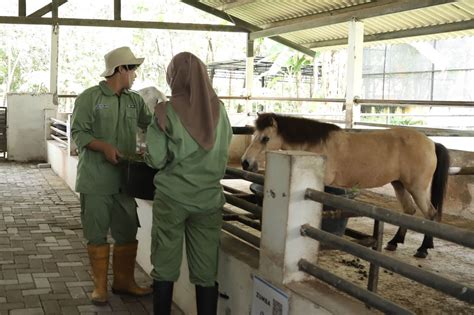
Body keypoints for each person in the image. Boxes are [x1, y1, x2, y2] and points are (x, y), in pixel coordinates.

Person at [145, 52, 233, 315]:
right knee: (205, 271)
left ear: (175, 78)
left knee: (164, 266)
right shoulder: (221, 111)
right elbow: (225, 150)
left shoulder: (165, 112)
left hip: (172, 200)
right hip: (209, 202)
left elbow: (156, 159)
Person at [71, 46, 153, 305]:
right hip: (96, 180)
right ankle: (99, 287)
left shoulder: (135, 100)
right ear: (120, 70)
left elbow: (151, 124)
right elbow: (79, 133)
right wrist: (104, 147)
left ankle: (124, 282)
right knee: (96, 234)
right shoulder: (89, 98)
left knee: (128, 232)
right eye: (133, 69)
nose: (136, 75)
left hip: (125, 182)